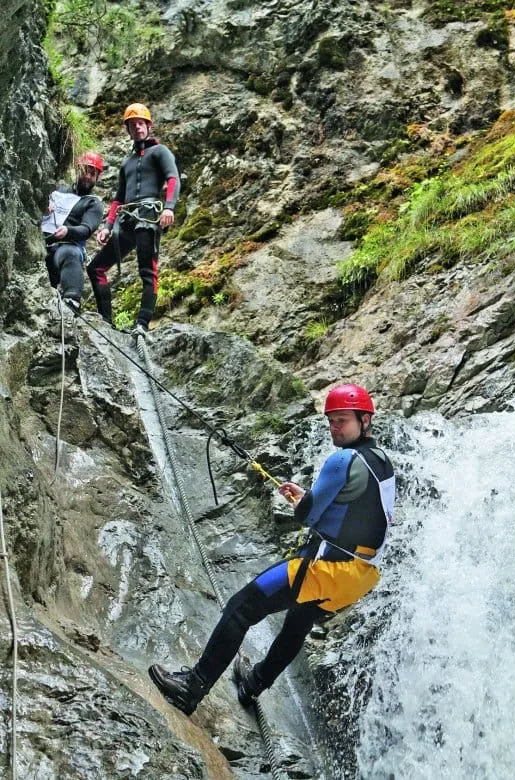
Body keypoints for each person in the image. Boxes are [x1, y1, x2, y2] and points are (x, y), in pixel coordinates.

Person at [148, 383, 396, 715]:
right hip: (362, 577)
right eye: (331, 421)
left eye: (343, 420)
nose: (335, 428)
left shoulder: (342, 459)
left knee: (241, 607)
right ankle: (254, 683)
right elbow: (357, 509)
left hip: (331, 566)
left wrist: (302, 502)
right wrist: (308, 498)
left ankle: (192, 687)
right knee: (299, 621)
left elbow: (309, 516)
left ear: (364, 420)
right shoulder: (382, 461)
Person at [87, 103, 180, 335]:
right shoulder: (126, 163)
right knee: (96, 268)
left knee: (147, 271)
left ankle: (141, 324)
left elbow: (172, 179)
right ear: (128, 130)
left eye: (141, 123)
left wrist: (169, 208)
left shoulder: (160, 152)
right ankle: (106, 322)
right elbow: (118, 199)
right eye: (132, 124)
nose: (137, 127)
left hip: (148, 216)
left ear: (148, 126)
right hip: (127, 220)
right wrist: (107, 227)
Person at [43, 152, 104, 313]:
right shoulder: (58, 192)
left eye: (92, 174)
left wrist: (68, 231)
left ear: (97, 177)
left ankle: (72, 300)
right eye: (85, 171)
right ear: (77, 170)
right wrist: (44, 207)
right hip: (42, 243)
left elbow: (86, 229)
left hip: (64, 248)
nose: (88, 176)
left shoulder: (93, 203)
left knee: (71, 253)